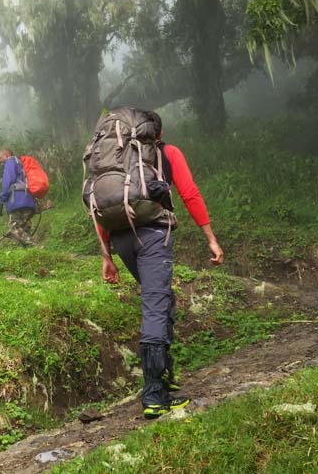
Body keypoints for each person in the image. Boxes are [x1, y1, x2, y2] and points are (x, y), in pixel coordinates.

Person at [96, 112, 224, 419]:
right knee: (155, 305)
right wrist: (210, 237)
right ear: (158, 131)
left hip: (121, 238)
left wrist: (106, 254)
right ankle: (153, 394)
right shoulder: (168, 153)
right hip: (152, 236)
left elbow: (101, 205)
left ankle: (164, 381)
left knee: (163, 301)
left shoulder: (114, 161)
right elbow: (189, 193)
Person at [0, 148, 36, 246]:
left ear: (6, 155)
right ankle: (29, 253)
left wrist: (1, 201)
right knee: (25, 228)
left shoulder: (10, 162)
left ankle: (35, 247)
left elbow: (7, 182)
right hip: (28, 199)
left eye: (0, 158)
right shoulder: (19, 163)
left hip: (17, 201)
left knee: (14, 228)